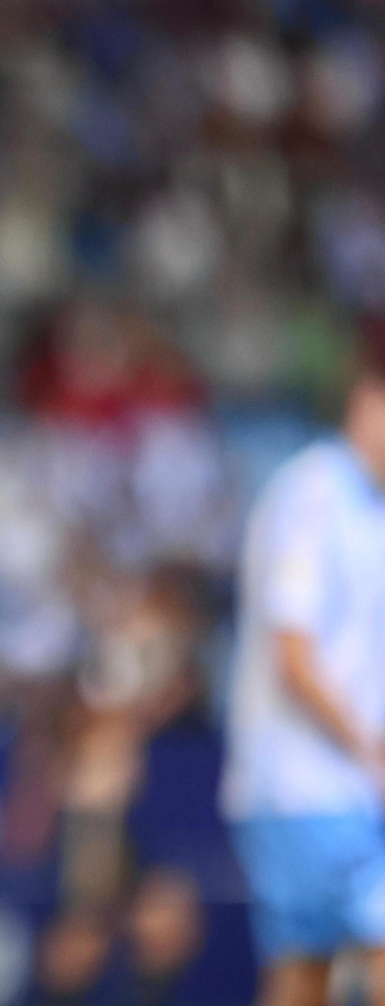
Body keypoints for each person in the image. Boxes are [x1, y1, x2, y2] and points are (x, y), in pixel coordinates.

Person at [220, 317, 385, 1006]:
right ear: (367, 398)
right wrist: (370, 746)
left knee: (301, 979)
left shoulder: (368, 506)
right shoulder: (312, 495)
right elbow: (293, 655)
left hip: (347, 786)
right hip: (302, 786)